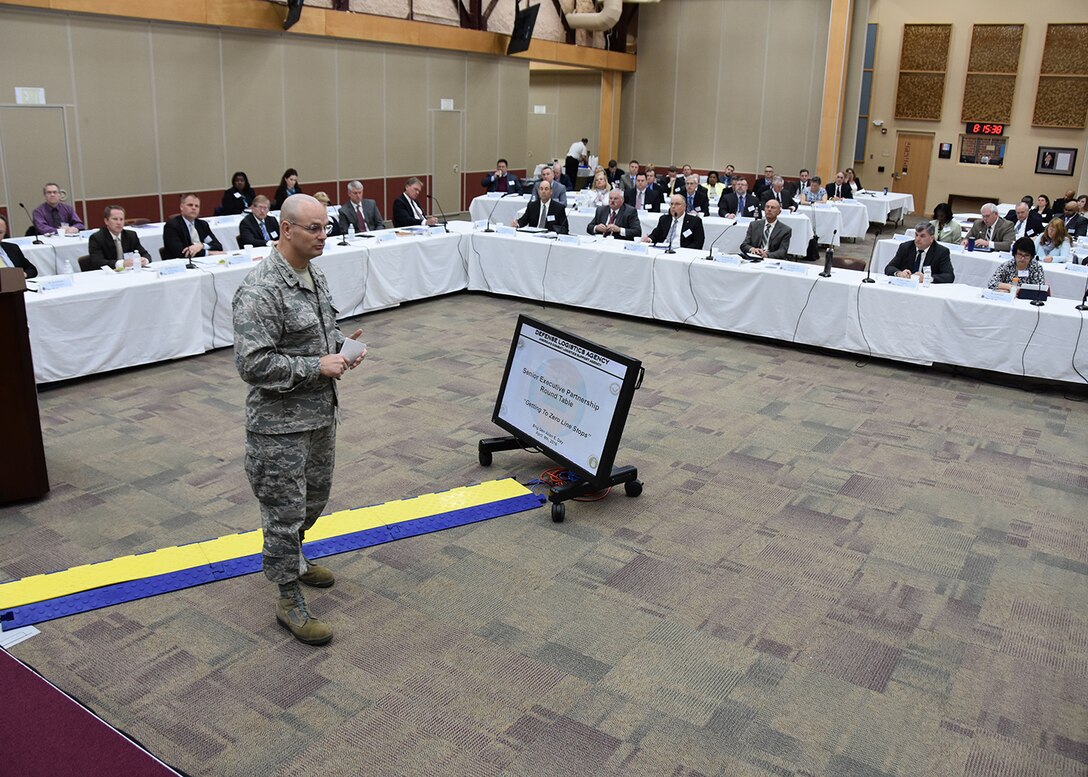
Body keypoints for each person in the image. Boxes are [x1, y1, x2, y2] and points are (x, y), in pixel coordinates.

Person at [233, 193, 366, 646]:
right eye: (313, 228)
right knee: (284, 513)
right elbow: (252, 364)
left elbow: (315, 334)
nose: (322, 236)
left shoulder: (312, 274)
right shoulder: (261, 289)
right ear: (285, 229)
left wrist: (342, 346)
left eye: (325, 227)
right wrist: (316, 367)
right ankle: (288, 596)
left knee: (315, 499)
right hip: (279, 427)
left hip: (318, 416)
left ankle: (297, 560)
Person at [883, 221, 955, 283]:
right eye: (916, 235)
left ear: (931, 238)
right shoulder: (906, 247)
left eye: (922, 236)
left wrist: (927, 278)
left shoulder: (941, 252)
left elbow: (949, 276)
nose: (917, 239)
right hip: (906, 286)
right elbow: (889, 268)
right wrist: (899, 273)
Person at [87, 205, 152, 270]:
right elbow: (97, 262)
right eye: (115, 219)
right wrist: (122, 264)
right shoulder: (97, 238)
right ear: (106, 221)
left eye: (121, 219)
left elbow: (145, 254)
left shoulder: (131, 235)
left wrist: (144, 260)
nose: (119, 223)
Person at [163, 193, 225, 259]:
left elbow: (218, 246)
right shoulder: (172, 226)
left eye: (196, 206)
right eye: (190, 205)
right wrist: (208, 253)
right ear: (181, 207)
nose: (193, 208)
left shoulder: (202, 225)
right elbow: (181, 253)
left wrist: (202, 246)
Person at [0, 214, 38, 278]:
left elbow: (32, 269)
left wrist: (23, 275)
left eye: (0, 232)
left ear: (4, 233)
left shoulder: (12, 248)